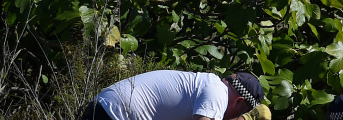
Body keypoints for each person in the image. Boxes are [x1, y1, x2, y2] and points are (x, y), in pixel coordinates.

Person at [79, 71, 266, 120]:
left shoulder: (206, 84)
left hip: (105, 107)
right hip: (115, 114)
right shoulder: (217, 93)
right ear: (239, 100)